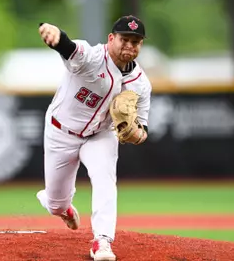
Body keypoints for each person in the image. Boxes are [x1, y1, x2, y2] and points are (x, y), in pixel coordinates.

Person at [36, 15, 152, 261]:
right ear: (111, 39)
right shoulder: (92, 57)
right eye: (124, 39)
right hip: (61, 132)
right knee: (55, 204)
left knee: (105, 180)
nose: (130, 46)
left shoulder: (141, 84)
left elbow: (143, 129)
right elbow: (70, 48)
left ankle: (103, 241)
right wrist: (56, 37)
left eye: (136, 41)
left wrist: (135, 134)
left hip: (100, 136)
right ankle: (63, 208)